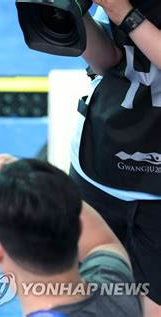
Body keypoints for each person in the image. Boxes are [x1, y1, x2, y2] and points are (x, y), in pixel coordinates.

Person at [71, 1, 160, 314]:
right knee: (86, 300)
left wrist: (127, 15)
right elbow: (109, 62)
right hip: (100, 164)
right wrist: (74, 14)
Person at [0, 155, 143, 317]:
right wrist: (42, 185)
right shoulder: (115, 287)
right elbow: (100, 243)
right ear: (78, 231)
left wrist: (29, 182)